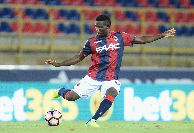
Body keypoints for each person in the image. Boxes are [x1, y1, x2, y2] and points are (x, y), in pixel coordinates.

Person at [45, 14, 176, 127]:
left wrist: (162, 35)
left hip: (111, 78)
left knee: (112, 92)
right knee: (71, 97)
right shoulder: (91, 42)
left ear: (108, 27)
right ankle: (62, 90)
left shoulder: (120, 37)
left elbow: (141, 39)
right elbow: (79, 57)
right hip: (93, 77)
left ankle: (92, 120)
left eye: (100, 27)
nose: (97, 29)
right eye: (96, 26)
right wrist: (59, 64)